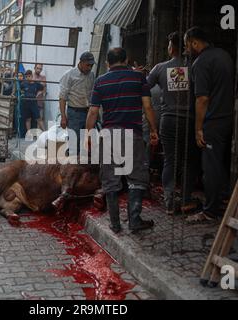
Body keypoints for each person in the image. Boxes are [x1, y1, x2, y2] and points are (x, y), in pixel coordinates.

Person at [86, 48, 159, 234]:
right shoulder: (138, 78)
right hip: (132, 135)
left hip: (108, 135)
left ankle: (115, 224)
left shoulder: (100, 81)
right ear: (126, 59)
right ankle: (134, 220)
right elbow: (148, 106)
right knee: (137, 178)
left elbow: (93, 112)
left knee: (110, 181)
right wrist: (153, 130)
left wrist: (88, 135)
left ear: (107, 63)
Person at [183, 27, 235, 224]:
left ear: (195, 43)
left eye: (187, 44)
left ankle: (210, 211)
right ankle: (220, 200)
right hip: (227, 118)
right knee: (220, 163)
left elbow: (202, 99)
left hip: (213, 121)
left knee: (210, 167)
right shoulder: (224, 55)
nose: (186, 49)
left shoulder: (201, 62)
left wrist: (198, 128)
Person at [147, 32, 200, 215]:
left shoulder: (160, 68)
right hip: (189, 120)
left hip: (168, 120)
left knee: (170, 160)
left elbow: (144, 88)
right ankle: (185, 200)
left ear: (171, 47)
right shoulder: (194, 67)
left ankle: (169, 202)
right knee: (189, 161)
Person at [59, 52, 96, 156]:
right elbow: (62, 98)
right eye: (88, 65)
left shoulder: (91, 75)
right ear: (81, 62)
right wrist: (63, 117)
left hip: (88, 112)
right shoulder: (69, 75)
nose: (89, 68)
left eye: (91, 65)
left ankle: (82, 166)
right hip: (74, 112)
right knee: (74, 142)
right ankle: (71, 165)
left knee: (87, 140)